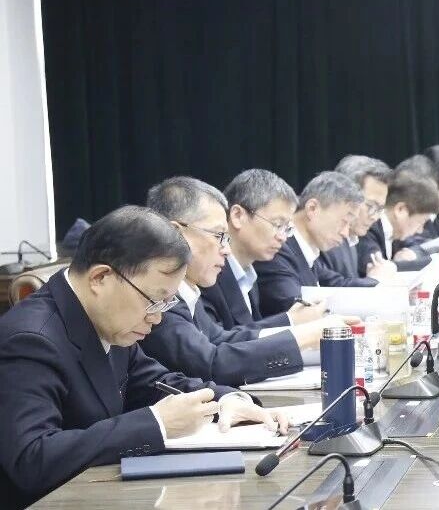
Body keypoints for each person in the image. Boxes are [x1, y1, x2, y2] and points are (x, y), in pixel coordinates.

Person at [0, 206, 290, 507]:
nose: (157, 318)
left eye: (167, 304)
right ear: (100, 277)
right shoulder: (30, 340)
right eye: (154, 301)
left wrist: (225, 400)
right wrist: (157, 423)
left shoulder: (108, 319)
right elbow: (32, 459)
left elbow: (156, 382)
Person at [143, 177, 347, 385]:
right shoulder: (157, 295)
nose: (226, 249)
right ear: (177, 234)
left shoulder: (189, 288)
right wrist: (303, 337)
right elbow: (211, 364)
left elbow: (222, 339)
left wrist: (300, 330)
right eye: (218, 235)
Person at [202, 169, 327, 330]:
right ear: (238, 216)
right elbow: (220, 341)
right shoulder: (207, 274)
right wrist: (290, 320)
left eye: (287, 228)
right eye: (277, 224)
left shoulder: (249, 274)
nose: (282, 237)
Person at [256, 171, 367, 316]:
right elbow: (298, 311)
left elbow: (338, 284)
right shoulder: (277, 249)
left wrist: (382, 285)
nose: (346, 233)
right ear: (312, 208)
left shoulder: (306, 252)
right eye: (344, 221)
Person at [320, 155, 396, 279]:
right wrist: (374, 280)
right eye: (370, 206)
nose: (375, 217)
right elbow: (334, 286)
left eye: (379, 209)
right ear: (345, 194)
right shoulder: (324, 239)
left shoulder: (352, 237)